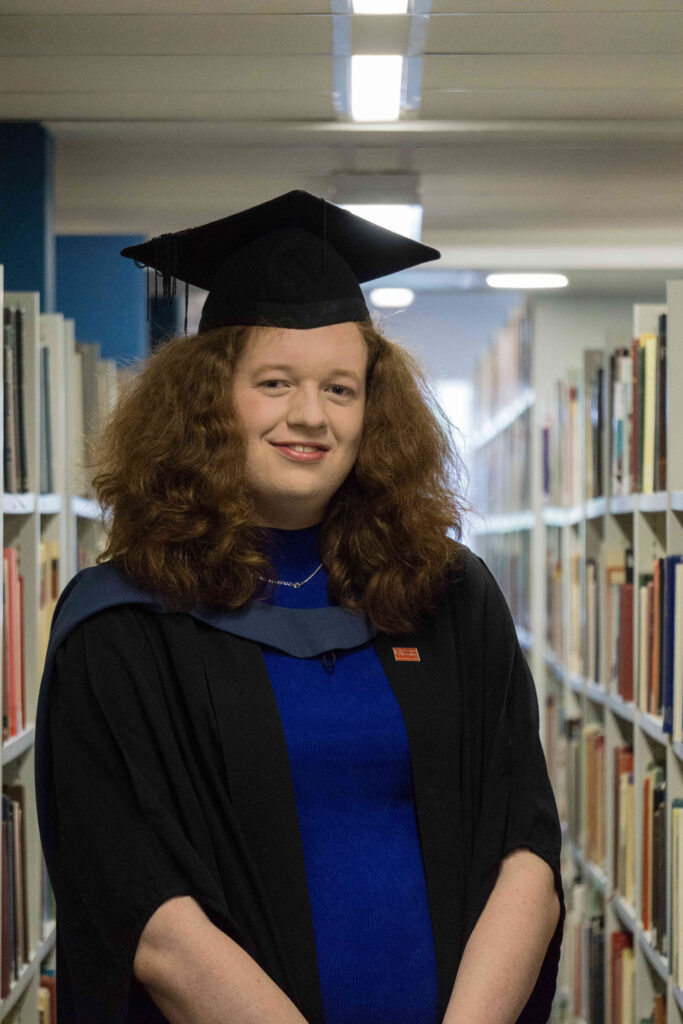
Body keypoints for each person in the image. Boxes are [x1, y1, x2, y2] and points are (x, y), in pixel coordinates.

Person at [35, 189, 565, 1024]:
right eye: (274, 383)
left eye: (341, 389)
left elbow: (524, 847)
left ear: (374, 412)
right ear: (208, 404)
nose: (309, 416)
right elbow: (143, 909)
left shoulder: (448, 596)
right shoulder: (123, 624)